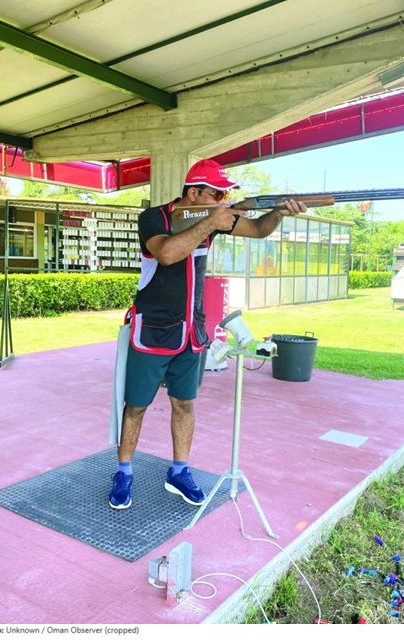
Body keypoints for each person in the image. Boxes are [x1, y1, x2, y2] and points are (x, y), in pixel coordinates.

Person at [109, 158, 307, 509]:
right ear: (194, 193)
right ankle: (123, 472)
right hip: (153, 331)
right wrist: (211, 222)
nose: (222, 201)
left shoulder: (210, 218)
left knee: (185, 404)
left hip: (191, 331)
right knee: (136, 407)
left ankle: (179, 471)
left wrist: (278, 213)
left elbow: (258, 229)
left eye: (225, 195)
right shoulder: (154, 217)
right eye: (217, 194)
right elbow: (166, 253)